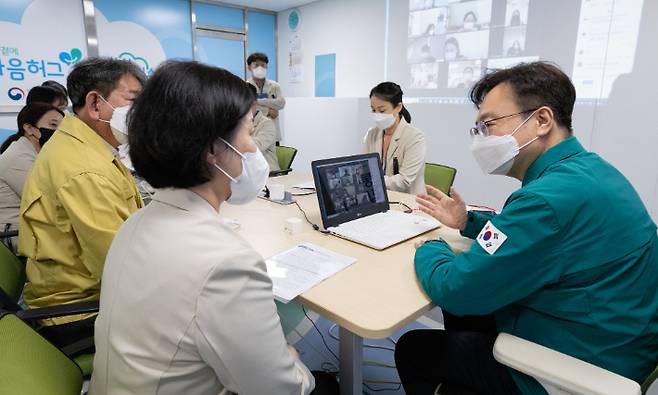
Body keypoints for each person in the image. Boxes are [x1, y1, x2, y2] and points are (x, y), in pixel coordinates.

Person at [395, 62, 658, 394]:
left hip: (577, 367)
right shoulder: (590, 173)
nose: (481, 139)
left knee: (413, 348)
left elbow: (457, 289)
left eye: (488, 124)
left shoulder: (545, 201)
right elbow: (529, 239)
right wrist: (468, 223)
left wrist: (430, 247)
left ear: (542, 120)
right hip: (617, 340)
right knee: (469, 315)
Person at [90, 61, 338, 395]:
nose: (253, 149)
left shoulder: (135, 223)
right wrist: (293, 362)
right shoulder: (226, 263)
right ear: (212, 150)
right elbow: (280, 388)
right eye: (248, 133)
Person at [18, 57, 146, 351]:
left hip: (79, 292)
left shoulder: (81, 144)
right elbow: (124, 269)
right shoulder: (84, 169)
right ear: (95, 103)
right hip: (80, 312)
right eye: (134, 101)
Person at [0, 103, 63, 254]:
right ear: (29, 128)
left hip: (34, 229)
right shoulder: (17, 158)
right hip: (15, 234)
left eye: (63, 127)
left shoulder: (38, 154)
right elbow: (47, 200)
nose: (59, 132)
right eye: (53, 125)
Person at [363, 82, 426, 194]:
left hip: (409, 202)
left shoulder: (415, 137)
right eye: (373, 110)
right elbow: (364, 168)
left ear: (398, 107)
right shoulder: (372, 134)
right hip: (380, 198)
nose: (377, 115)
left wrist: (372, 180)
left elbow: (404, 181)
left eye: (382, 111)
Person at [247, 52, 285, 143]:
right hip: (254, 134)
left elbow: (281, 103)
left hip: (273, 133)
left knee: (273, 157)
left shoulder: (275, 86)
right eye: (256, 65)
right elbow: (248, 109)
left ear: (267, 67)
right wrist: (269, 108)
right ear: (249, 67)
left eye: (263, 65)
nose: (260, 68)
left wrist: (257, 102)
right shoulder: (245, 86)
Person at [246, 82, 280, 171]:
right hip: (247, 174)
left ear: (254, 104)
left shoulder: (266, 124)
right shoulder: (236, 123)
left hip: (268, 175)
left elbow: (253, 148)